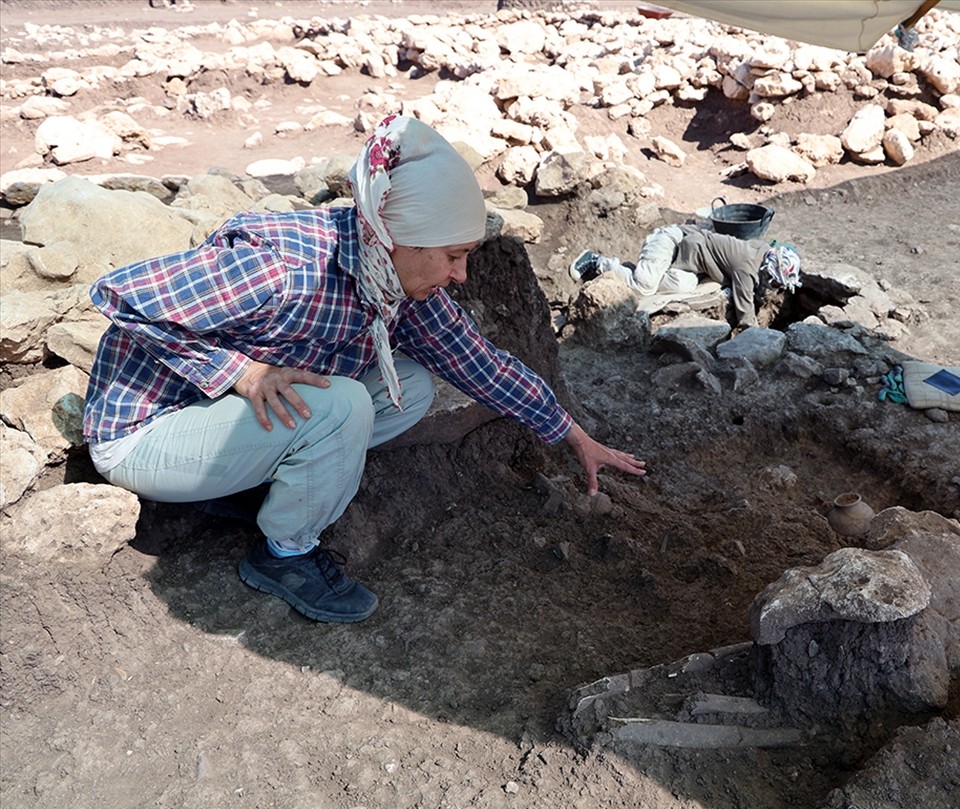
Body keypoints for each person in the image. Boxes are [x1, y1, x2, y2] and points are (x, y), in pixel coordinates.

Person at [83, 114, 646, 624]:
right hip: (146, 434)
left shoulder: (392, 281)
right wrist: (242, 372)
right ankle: (284, 556)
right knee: (343, 404)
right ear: (397, 239)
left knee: (411, 388)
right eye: (453, 255)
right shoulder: (283, 267)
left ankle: (255, 491)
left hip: (212, 427)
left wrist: (572, 434)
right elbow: (121, 297)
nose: (462, 275)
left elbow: (481, 363)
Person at [571, 224, 802, 330]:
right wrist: (760, 338)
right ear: (766, 269)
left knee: (682, 284)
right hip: (672, 240)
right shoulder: (747, 267)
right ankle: (598, 261)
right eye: (773, 281)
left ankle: (639, 271)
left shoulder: (762, 251)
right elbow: (745, 313)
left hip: (690, 262)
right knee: (644, 289)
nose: (773, 287)